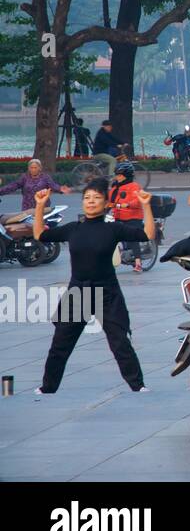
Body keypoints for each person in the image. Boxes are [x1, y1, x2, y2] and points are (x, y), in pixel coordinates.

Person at [32, 181, 155, 394]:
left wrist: (146, 205)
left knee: (119, 343)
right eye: (87, 197)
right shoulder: (73, 229)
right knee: (60, 344)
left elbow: (148, 235)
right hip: (78, 293)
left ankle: (138, 386)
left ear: (106, 203)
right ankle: (47, 387)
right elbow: (39, 235)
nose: (91, 201)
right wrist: (40, 206)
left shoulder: (113, 228)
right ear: (82, 203)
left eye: (97, 198)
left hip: (107, 292)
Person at [107, 162, 147, 273]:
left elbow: (137, 200)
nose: (117, 177)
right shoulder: (115, 187)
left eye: (120, 175)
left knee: (132, 237)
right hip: (118, 216)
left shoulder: (134, 186)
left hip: (133, 217)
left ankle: (138, 263)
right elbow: (110, 201)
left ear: (127, 175)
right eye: (117, 174)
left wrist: (128, 204)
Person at [0, 159, 71, 211]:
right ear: (28, 168)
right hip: (27, 208)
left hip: (42, 207)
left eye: (35, 168)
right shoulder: (24, 177)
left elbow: (53, 186)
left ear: (40, 168)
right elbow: (13, 186)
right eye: (31, 168)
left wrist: (60, 189)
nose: (33, 170)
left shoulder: (45, 177)